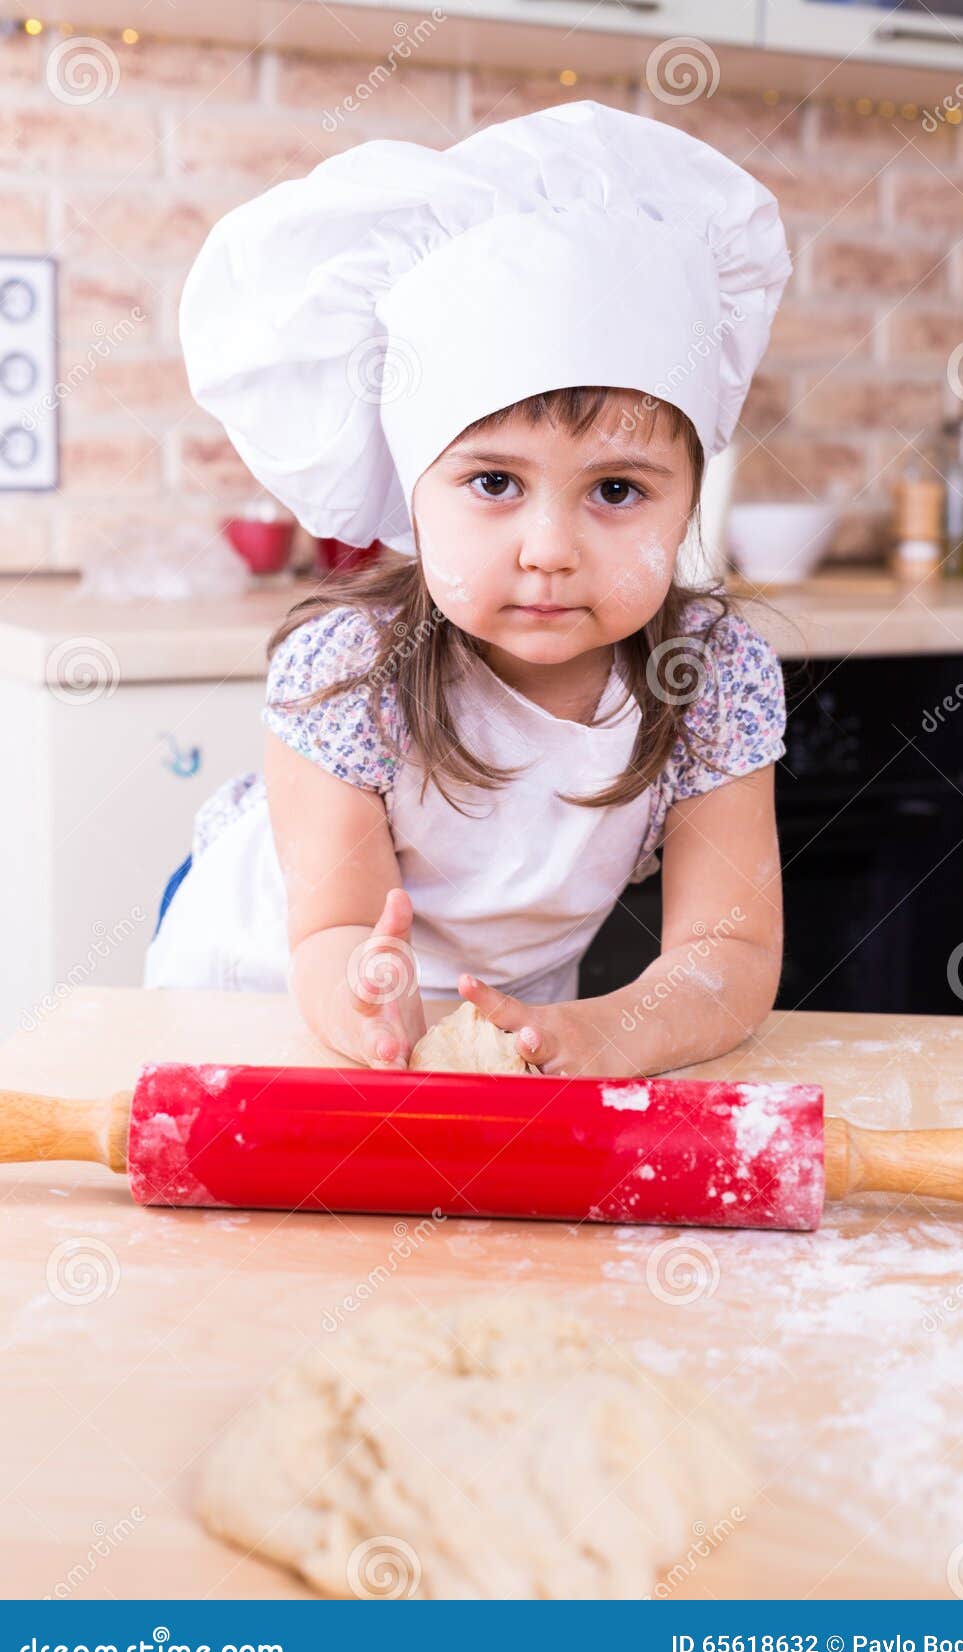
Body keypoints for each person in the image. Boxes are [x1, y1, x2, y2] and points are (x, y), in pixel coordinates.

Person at [144, 101, 793, 1080]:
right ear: (414, 491)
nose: (548, 549)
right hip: (265, 995)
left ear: (690, 497)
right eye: (493, 483)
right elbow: (329, 930)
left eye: (615, 490)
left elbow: (728, 955)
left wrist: (609, 1031)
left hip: (493, 1028)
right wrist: (366, 991)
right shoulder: (353, 671)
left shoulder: (708, 675)